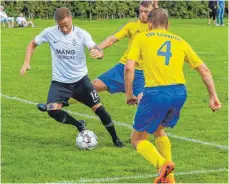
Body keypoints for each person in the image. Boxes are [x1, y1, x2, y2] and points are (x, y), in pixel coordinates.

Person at [125, 8, 221, 183]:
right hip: (179, 93)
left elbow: (129, 67)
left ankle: (162, 164)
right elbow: (204, 69)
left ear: (150, 24)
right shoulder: (180, 41)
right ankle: (170, 179)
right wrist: (213, 96)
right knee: (159, 129)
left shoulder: (141, 37)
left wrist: (129, 93)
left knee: (137, 139)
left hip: (156, 93)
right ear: (168, 24)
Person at [20, 7, 123, 147]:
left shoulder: (82, 34)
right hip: (60, 83)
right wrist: (26, 62)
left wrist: (99, 54)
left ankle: (116, 139)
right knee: (52, 110)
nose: (63, 29)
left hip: (81, 82)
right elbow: (32, 44)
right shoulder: (49, 33)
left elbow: (94, 47)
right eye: (60, 26)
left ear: (71, 19)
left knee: (99, 109)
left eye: (66, 25)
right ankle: (79, 124)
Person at [92, 0, 158, 104]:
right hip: (123, 67)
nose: (143, 14)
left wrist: (156, 8)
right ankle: (61, 102)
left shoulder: (156, 28)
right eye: (141, 11)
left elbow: (159, 17)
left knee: (144, 104)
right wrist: (98, 48)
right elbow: (112, 39)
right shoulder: (131, 25)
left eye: (146, 11)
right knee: (93, 86)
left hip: (142, 73)